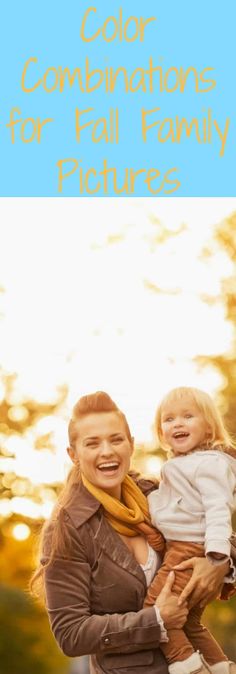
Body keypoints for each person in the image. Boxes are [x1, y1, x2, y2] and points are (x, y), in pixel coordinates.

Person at [31, 391, 232, 674]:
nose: (107, 451)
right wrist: (155, 621)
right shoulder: (67, 529)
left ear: (131, 445)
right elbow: (71, 634)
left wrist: (219, 563)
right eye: (92, 443)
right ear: (73, 455)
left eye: (116, 439)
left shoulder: (157, 496)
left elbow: (214, 525)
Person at [145, 386, 236, 674]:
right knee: (189, 622)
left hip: (190, 550)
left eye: (188, 416)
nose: (178, 423)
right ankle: (222, 668)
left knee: (155, 613)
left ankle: (187, 665)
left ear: (209, 427)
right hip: (185, 546)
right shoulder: (181, 465)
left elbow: (218, 508)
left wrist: (217, 555)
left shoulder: (208, 464)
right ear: (161, 432)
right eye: (169, 419)